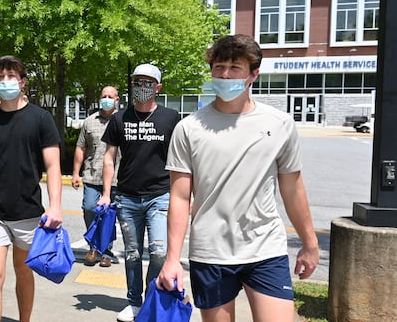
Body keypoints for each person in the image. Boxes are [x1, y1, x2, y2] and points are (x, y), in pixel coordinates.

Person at [157, 34, 319, 322]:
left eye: (235, 68)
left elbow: (292, 188)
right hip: (210, 252)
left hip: (265, 248)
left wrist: (310, 243)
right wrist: (172, 259)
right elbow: (180, 197)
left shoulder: (279, 124)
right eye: (219, 68)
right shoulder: (189, 128)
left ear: (253, 74)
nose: (225, 75)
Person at [0, 55, 63, 322]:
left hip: (29, 214)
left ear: (22, 83)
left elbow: (53, 167)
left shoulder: (41, 118)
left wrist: (55, 206)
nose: (4, 82)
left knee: (23, 271)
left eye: (10, 77)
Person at [98, 64, 181, 322]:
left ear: (158, 87)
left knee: (158, 253)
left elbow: (180, 160)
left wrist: (185, 195)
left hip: (160, 195)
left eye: (147, 82)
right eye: (137, 81)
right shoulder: (119, 118)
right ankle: (134, 302)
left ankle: (152, 298)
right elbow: (109, 158)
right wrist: (105, 193)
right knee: (132, 254)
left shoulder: (171, 118)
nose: (141, 87)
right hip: (127, 197)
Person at [71, 86, 121, 267]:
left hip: (116, 178)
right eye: (104, 96)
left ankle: (106, 251)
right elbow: (80, 148)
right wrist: (76, 173)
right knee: (89, 208)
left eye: (110, 96)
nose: (106, 99)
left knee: (108, 215)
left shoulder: (123, 121)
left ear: (117, 99)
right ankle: (93, 246)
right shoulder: (90, 122)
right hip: (92, 175)